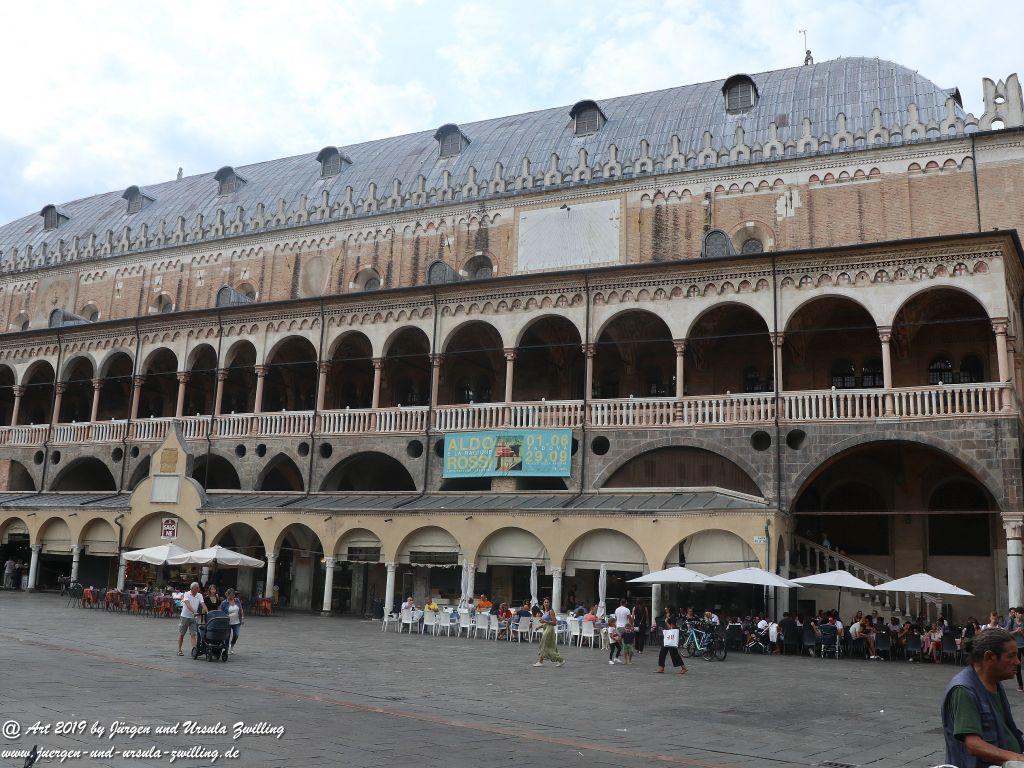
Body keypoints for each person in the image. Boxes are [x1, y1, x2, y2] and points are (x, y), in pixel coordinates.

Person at [942, 628, 1024, 767]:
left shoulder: (994, 682)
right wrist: (1016, 757)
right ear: (989, 656)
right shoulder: (963, 690)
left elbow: (1005, 728)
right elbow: (973, 745)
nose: (1018, 662)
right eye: (1011, 656)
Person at [533, 597, 565, 668]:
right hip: (546, 628)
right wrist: (539, 627)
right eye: (545, 602)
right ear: (543, 603)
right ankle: (560, 660)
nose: (546, 603)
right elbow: (545, 623)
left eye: (547, 602)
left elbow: (554, 623)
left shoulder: (551, 611)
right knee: (548, 646)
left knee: (543, 645)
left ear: (549, 603)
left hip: (549, 630)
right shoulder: (545, 612)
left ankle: (540, 661)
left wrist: (545, 621)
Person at [177, 582, 206, 657]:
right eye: (197, 588)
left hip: (193, 618)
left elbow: (203, 604)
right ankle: (179, 650)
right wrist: (194, 612)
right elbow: (187, 604)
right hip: (185, 617)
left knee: (193, 634)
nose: (198, 589)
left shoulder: (199, 595)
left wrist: (207, 611)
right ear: (193, 588)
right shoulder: (186, 594)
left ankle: (194, 650)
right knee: (182, 634)